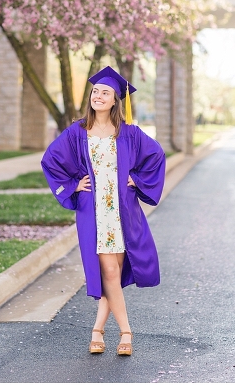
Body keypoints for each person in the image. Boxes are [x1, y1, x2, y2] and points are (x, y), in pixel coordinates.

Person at [40, 66, 166, 356]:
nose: (98, 96)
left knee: (113, 272)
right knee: (109, 271)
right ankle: (125, 332)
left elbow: (156, 155)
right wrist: (72, 185)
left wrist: (138, 180)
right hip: (93, 212)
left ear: (115, 100)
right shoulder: (77, 131)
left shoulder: (130, 134)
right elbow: (51, 160)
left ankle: (98, 331)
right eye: (95, 91)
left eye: (105, 92)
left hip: (122, 212)